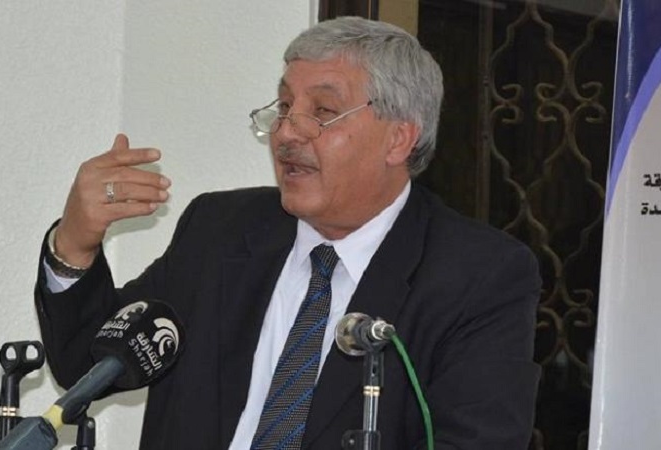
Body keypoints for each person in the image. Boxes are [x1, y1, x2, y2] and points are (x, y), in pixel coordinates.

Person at [35, 16, 541, 450]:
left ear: (398, 138)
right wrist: (76, 242)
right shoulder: (219, 232)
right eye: (283, 107)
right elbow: (88, 365)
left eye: (322, 112)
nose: (286, 132)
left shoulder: (478, 277)